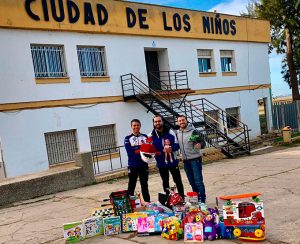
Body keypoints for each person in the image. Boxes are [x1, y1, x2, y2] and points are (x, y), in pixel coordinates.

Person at [149, 115, 184, 197]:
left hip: (173, 162)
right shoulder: (150, 135)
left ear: (162, 122)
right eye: (155, 122)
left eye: (159, 121)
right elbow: (149, 149)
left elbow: (177, 144)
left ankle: (181, 198)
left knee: (178, 181)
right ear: (153, 123)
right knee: (165, 182)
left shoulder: (170, 131)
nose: (157, 123)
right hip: (161, 163)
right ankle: (168, 200)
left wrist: (172, 148)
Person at [176, 114, 206, 203]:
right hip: (186, 161)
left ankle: (203, 201)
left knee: (198, 182)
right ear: (178, 122)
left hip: (195, 160)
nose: (182, 122)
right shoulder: (177, 133)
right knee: (192, 182)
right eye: (180, 121)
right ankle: (196, 199)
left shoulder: (193, 132)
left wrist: (200, 145)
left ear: (186, 121)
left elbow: (203, 142)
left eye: (183, 120)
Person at [124, 119, 150, 202]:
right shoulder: (127, 138)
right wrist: (141, 153)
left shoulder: (145, 137)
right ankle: (130, 203)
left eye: (137, 125)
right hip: (133, 165)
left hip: (143, 165)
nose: (136, 127)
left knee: (144, 185)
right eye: (134, 125)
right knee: (131, 185)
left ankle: (147, 202)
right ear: (131, 127)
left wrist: (144, 155)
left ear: (140, 126)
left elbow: (149, 150)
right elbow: (130, 153)